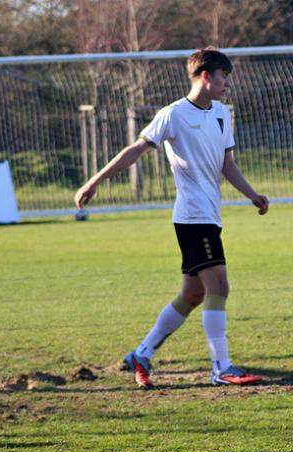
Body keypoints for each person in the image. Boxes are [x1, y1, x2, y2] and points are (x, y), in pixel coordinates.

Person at [74, 48, 270, 389]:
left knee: (193, 294)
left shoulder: (221, 114)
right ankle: (221, 367)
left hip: (210, 214)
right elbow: (135, 150)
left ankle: (142, 353)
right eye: (224, 77)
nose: (227, 84)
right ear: (206, 76)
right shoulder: (173, 115)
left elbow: (227, 165)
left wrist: (252, 194)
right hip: (192, 216)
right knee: (219, 285)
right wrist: (95, 181)